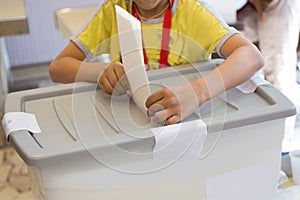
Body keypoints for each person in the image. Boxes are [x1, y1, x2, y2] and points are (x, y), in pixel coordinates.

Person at [49, 0, 264, 125]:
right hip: (133, 122)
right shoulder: (113, 9)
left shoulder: (192, 11)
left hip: (187, 122)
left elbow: (251, 56)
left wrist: (197, 92)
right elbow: (58, 68)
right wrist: (100, 71)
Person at [237, 0, 300, 150]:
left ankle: (281, 146)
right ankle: (268, 144)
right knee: (253, 73)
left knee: (277, 73)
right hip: (253, 6)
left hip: (275, 4)